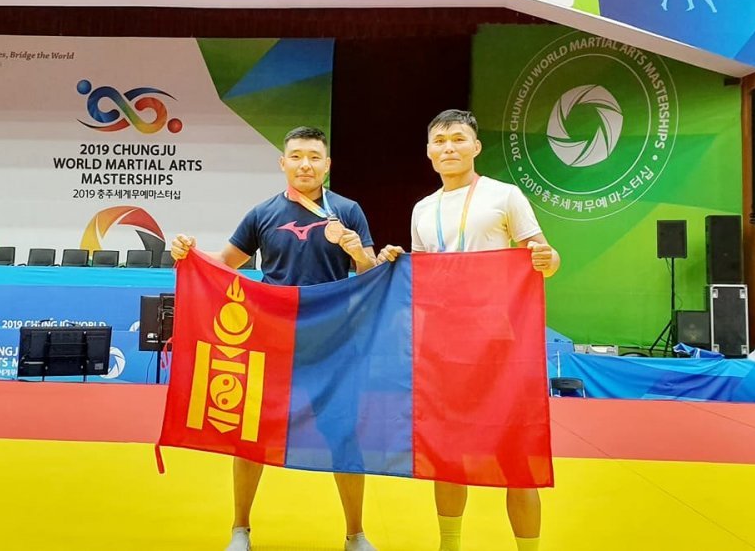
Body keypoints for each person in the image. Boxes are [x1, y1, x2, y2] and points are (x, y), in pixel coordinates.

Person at [170, 126, 379, 551]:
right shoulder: (262, 213)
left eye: (314, 157)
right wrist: (188, 253)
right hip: (272, 340)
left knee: (344, 436)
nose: (305, 164)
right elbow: (225, 263)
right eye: (296, 156)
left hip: (333, 342)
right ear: (283, 163)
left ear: (327, 165)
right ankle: (240, 529)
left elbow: (370, 273)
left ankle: (355, 534)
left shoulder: (347, 211)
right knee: (251, 434)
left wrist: (357, 251)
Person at [377, 109, 560, 551]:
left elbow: (544, 256)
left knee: (518, 454)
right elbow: (423, 275)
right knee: (448, 451)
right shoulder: (423, 209)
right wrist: (394, 262)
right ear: (428, 151)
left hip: (499, 343)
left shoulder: (505, 195)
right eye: (440, 141)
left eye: (458, 139)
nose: (449, 148)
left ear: (475, 146)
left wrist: (549, 258)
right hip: (444, 345)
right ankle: (449, 545)